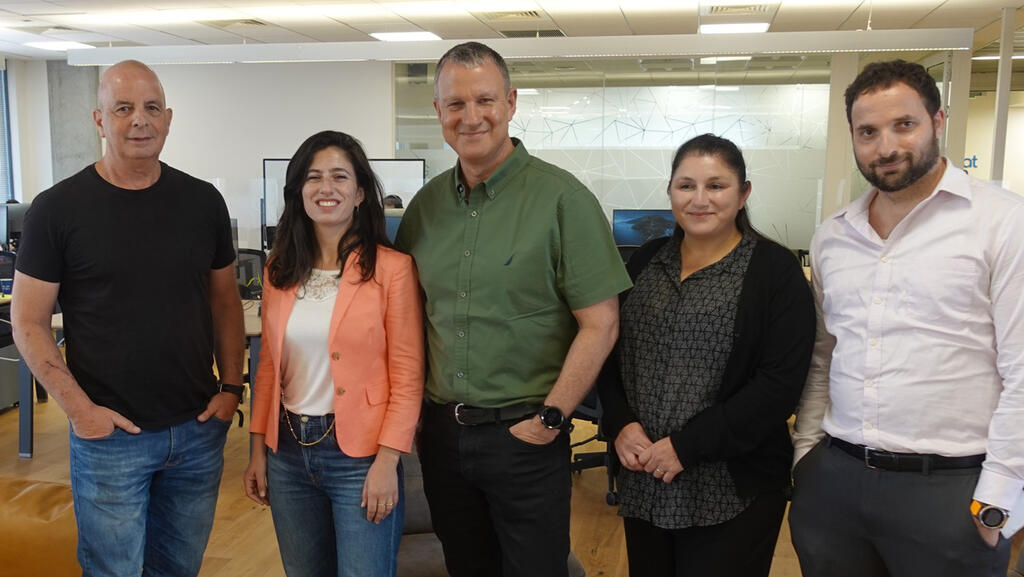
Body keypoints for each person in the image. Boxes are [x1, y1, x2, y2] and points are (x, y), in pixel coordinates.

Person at [395, 41, 632, 577]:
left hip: (525, 435)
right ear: (438, 112)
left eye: (484, 100)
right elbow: (408, 320)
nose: (470, 116)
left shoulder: (563, 200)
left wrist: (551, 417)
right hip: (442, 438)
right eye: (455, 104)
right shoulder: (425, 208)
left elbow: (601, 322)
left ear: (511, 102)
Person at [790, 59, 1024, 577]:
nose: (886, 147)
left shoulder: (1004, 223)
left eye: (904, 125)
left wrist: (1000, 500)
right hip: (837, 482)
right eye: (867, 132)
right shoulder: (833, 236)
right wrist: (807, 455)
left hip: (953, 490)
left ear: (938, 122)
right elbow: (824, 356)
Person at [11, 60, 244, 577]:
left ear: (168, 118)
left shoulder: (202, 201)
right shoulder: (56, 210)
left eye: (151, 108)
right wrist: (79, 411)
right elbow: (28, 322)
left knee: (178, 568)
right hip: (109, 436)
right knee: (112, 570)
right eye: (123, 108)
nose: (140, 120)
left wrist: (231, 389)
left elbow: (225, 302)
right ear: (99, 119)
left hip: (196, 428)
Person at [597, 134, 815, 576]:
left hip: (732, 486)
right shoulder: (645, 261)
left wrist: (686, 446)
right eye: (686, 185)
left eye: (716, 186)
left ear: (743, 193)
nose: (699, 199)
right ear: (670, 191)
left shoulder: (775, 272)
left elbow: (779, 386)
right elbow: (608, 352)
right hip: (645, 479)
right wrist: (620, 424)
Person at [243, 130, 424, 577]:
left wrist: (387, 461)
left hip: (360, 458)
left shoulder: (392, 269)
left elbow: (407, 374)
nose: (326, 188)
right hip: (287, 451)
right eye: (314, 178)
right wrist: (257, 450)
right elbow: (267, 365)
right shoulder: (279, 269)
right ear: (298, 192)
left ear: (360, 192)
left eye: (339, 177)